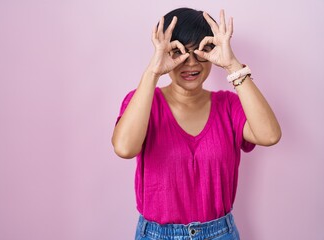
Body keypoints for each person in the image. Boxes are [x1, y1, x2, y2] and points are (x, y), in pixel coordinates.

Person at [112, 7, 281, 240]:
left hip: (220, 233)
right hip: (156, 235)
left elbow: (269, 135)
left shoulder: (229, 106)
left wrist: (232, 64)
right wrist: (153, 71)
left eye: (201, 51)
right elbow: (124, 148)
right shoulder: (143, 101)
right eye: (179, 52)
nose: (191, 63)